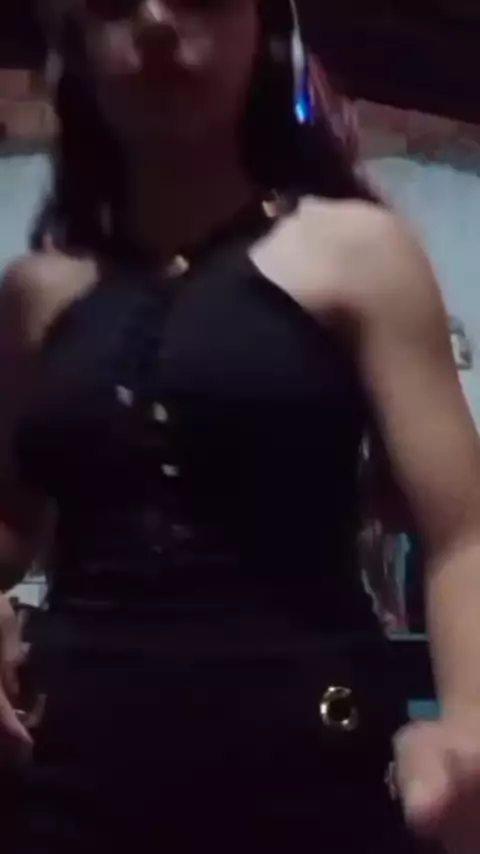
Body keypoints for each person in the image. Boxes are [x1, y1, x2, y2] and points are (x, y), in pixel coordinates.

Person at [1, 0, 480, 851]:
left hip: (312, 766)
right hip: (71, 770)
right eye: (114, 2)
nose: (155, 20)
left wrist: (471, 720)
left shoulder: (358, 255)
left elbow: (461, 530)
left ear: (266, 32)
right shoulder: (37, 295)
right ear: (75, 49)